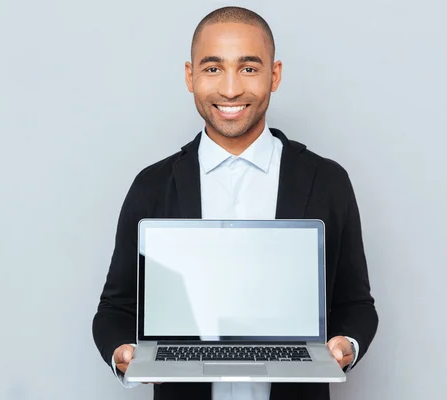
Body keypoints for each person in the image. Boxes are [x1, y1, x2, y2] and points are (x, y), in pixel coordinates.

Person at [92, 6, 378, 400]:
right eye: (212, 69)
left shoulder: (327, 182)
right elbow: (115, 308)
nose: (230, 90)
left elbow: (356, 303)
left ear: (274, 75)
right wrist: (122, 351)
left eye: (248, 68)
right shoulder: (152, 186)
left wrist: (347, 344)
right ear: (190, 77)